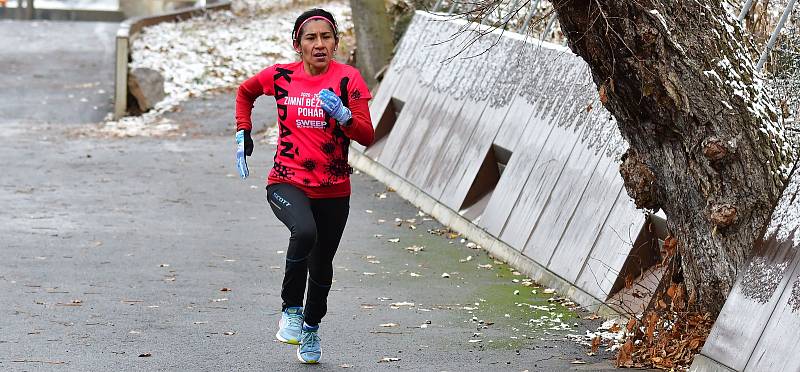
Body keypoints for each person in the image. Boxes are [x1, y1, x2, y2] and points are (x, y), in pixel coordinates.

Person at [233, 8, 374, 364]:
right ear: (298, 45)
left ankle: (311, 328)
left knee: (322, 263)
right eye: (310, 38)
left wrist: (344, 117)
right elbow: (245, 92)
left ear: (336, 43)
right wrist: (243, 129)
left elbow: (368, 135)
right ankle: (291, 310)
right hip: (286, 180)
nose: (319, 44)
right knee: (304, 231)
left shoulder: (348, 80)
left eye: (326, 37)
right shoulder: (280, 76)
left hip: (334, 188)